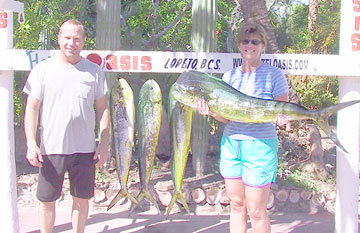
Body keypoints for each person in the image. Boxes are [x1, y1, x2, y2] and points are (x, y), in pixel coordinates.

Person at [196, 21, 289, 233]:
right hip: (231, 145)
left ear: (263, 45)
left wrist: (283, 120)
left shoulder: (274, 75)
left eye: (255, 41)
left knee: (256, 211)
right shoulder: (229, 77)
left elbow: (283, 111)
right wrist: (210, 111)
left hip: (260, 146)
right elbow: (227, 118)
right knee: (236, 206)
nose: (250, 45)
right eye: (245, 41)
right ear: (239, 45)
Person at [23, 19, 110, 233]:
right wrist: (31, 143)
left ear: (84, 41)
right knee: (47, 201)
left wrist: (104, 144)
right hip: (51, 149)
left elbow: (103, 109)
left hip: (85, 150)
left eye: (77, 38)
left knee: (82, 200)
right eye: (67, 38)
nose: (72, 43)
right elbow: (32, 109)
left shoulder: (95, 71)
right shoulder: (42, 70)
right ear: (59, 39)